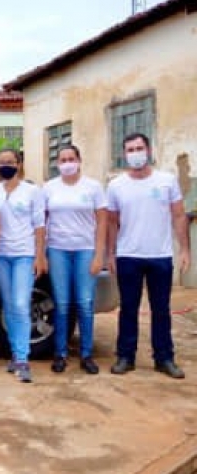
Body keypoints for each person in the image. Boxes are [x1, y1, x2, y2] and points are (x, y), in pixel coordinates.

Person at [106, 132, 191, 379]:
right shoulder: (116, 185)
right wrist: (110, 254)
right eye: (130, 150)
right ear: (124, 154)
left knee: (161, 309)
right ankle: (125, 356)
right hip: (128, 256)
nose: (135, 153)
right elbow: (111, 223)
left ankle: (164, 358)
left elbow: (178, 215)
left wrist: (185, 249)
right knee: (128, 308)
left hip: (160, 255)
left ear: (149, 150)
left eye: (139, 148)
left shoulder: (166, 181)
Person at [44, 145, 106, 374]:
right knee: (61, 304)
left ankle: (86, 354)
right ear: (57, 164)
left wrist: (99, 254)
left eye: (71, 158)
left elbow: (101, 222)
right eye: (63, 159)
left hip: (85, 250)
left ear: (79, 160)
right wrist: (42, 254)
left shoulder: (93, 187)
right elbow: (42, 221)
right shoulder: (49, 188)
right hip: (58, 250)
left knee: (85, 303)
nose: (67, 163)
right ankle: (60, 353)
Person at [0, 148, 47, 383]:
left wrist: (40, 256)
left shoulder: (32, 191)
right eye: (2, 162)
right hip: (1, 255)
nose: (6, 165)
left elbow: (39, 224)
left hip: (24, 254)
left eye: (11, 161)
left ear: (19, 164)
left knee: (21, 303)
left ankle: (23, 360)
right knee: (9, 306)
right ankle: (15, 354)